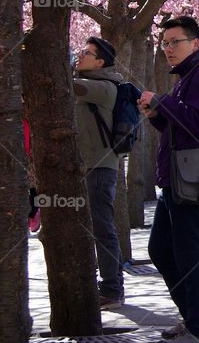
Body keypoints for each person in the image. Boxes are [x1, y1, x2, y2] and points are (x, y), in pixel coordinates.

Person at [140, 16, 199, 343]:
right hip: (176, 177)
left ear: (195, 43)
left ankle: (198, 329)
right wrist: (159, 117)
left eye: (174, 42)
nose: (168, 49)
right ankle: (191, 319)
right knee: (161, 249)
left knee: (190, 252)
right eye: (164, 43)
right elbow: (185, 129)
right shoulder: (189, 74)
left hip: (190, 178)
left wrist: (162, 101)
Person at [73, 37, 126, 309]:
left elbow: (69, 86)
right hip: (92, 165)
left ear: (100, 61)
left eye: (87, 53)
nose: (80, 55)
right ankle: (112, 285)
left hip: (100, 167)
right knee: (101, 227)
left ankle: (111, 289)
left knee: (102, 228)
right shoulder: (94, 84)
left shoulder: (105, 87)